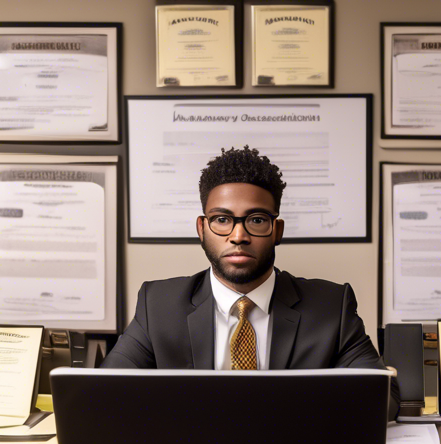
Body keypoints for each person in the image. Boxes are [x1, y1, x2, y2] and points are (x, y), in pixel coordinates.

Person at [102, 146, 399, 419]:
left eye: (256, 220)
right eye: (222, 219)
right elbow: (105, 394)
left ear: (277, 230)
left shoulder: (331, 306)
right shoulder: (158, 304)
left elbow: (383, 401)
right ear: (201, 228)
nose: (238, 236)